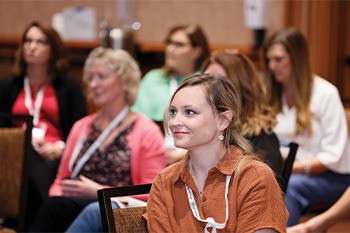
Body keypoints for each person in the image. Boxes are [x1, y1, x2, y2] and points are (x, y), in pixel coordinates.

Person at [29, 47, 166, 232]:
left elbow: (151, 192)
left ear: (125, 82)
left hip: (120, 209)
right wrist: (57, 194)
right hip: (74, 204)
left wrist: (99, 192)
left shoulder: (147, 131)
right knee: (54, 206)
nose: (93, 84)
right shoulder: (81, 127)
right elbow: (60, 179)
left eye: (102, 77)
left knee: (95, 211)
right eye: (91, 78)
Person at [144, 73, 288, 232]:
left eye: (190, 112)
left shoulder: (254, 178)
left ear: (223, 120)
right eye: (173, 112)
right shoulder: (165, 182)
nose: (175, 122)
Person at [0, 21, 87, 227]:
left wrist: (60, 148)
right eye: (28, 41)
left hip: (54, 153)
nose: (32, 46)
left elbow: (80, 128)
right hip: (15, 151)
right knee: (24, 164)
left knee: (39, 170)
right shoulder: (7, 84)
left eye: (41, 42)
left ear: (53, 50)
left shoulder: (68, 86)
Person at [262, 27, 350, 226]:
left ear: (296, 58)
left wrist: (290, 168)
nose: (271, 66)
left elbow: (333, 156)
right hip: (283, 168)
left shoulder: (325, 93)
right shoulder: (271, 94)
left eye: (278, 59)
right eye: (269, 60)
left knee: (288, 187)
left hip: (332, 177)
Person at [201, 50, 283, 186]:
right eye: (205, 80)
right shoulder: (203, 127)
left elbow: (265, 191)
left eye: (218, 83)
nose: (207, 89)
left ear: (239, 89)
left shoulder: (261, 137)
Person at [132, 23, 210, 165]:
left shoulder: (206, 82)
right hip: (153, 155)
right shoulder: (153, 79)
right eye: (169, 43)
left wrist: (185, 155)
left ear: (196, 51)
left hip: (196, 158)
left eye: (179, 45)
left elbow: (214, 130)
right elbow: (137, 122)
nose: (170, 49)